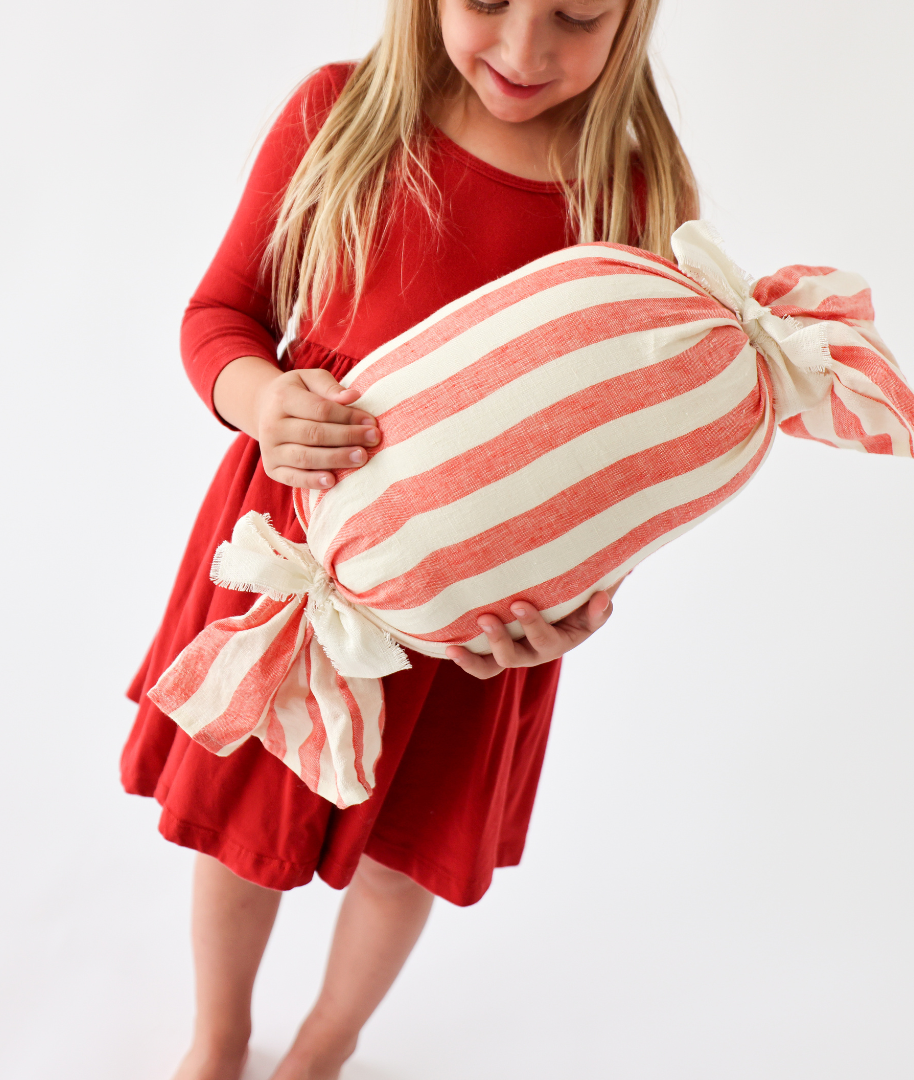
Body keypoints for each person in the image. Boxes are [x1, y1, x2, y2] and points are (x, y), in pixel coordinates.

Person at [122, 1, 698, 1077]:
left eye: (575, 17)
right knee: (244, 827)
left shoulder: (635, 198)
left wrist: (584, 602)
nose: (525, 52)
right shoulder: (339, 114)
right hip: (300, 572)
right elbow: (220, 314)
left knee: (401, 858)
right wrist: (259, 398)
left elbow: (632, 451)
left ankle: (327, 1043)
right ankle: (221, 1037)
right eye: (486, 2)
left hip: (475, 623)